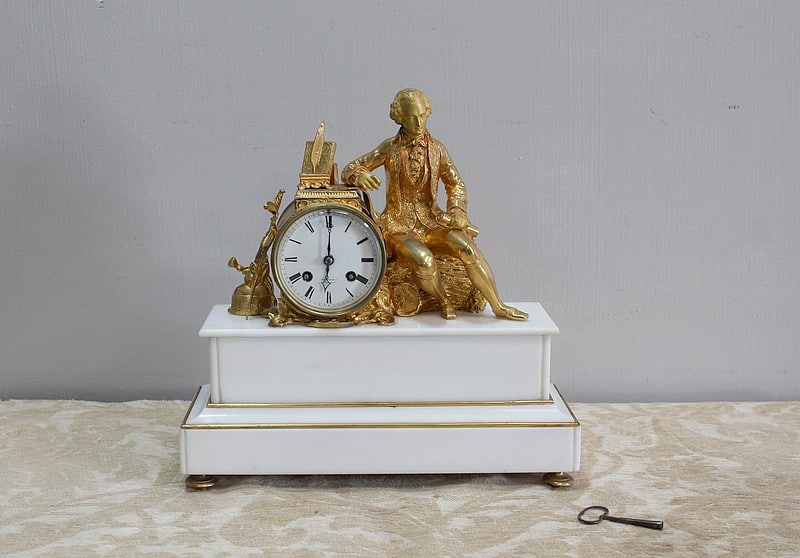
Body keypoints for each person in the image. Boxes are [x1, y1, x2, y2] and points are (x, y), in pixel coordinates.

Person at [342, 88, 527, 321]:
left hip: (433, 221)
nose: (418, 123)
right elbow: (350, 168)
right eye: (411, 117)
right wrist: (360, 175)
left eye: (422, 116)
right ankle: (444, 300)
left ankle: (498, 306)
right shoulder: (389, 148)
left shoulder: (437, 149)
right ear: (400, 118)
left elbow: (455, 183)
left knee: (468, 248)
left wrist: (457, 210)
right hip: (399, 226)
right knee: (424, 260)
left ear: (428, 113)